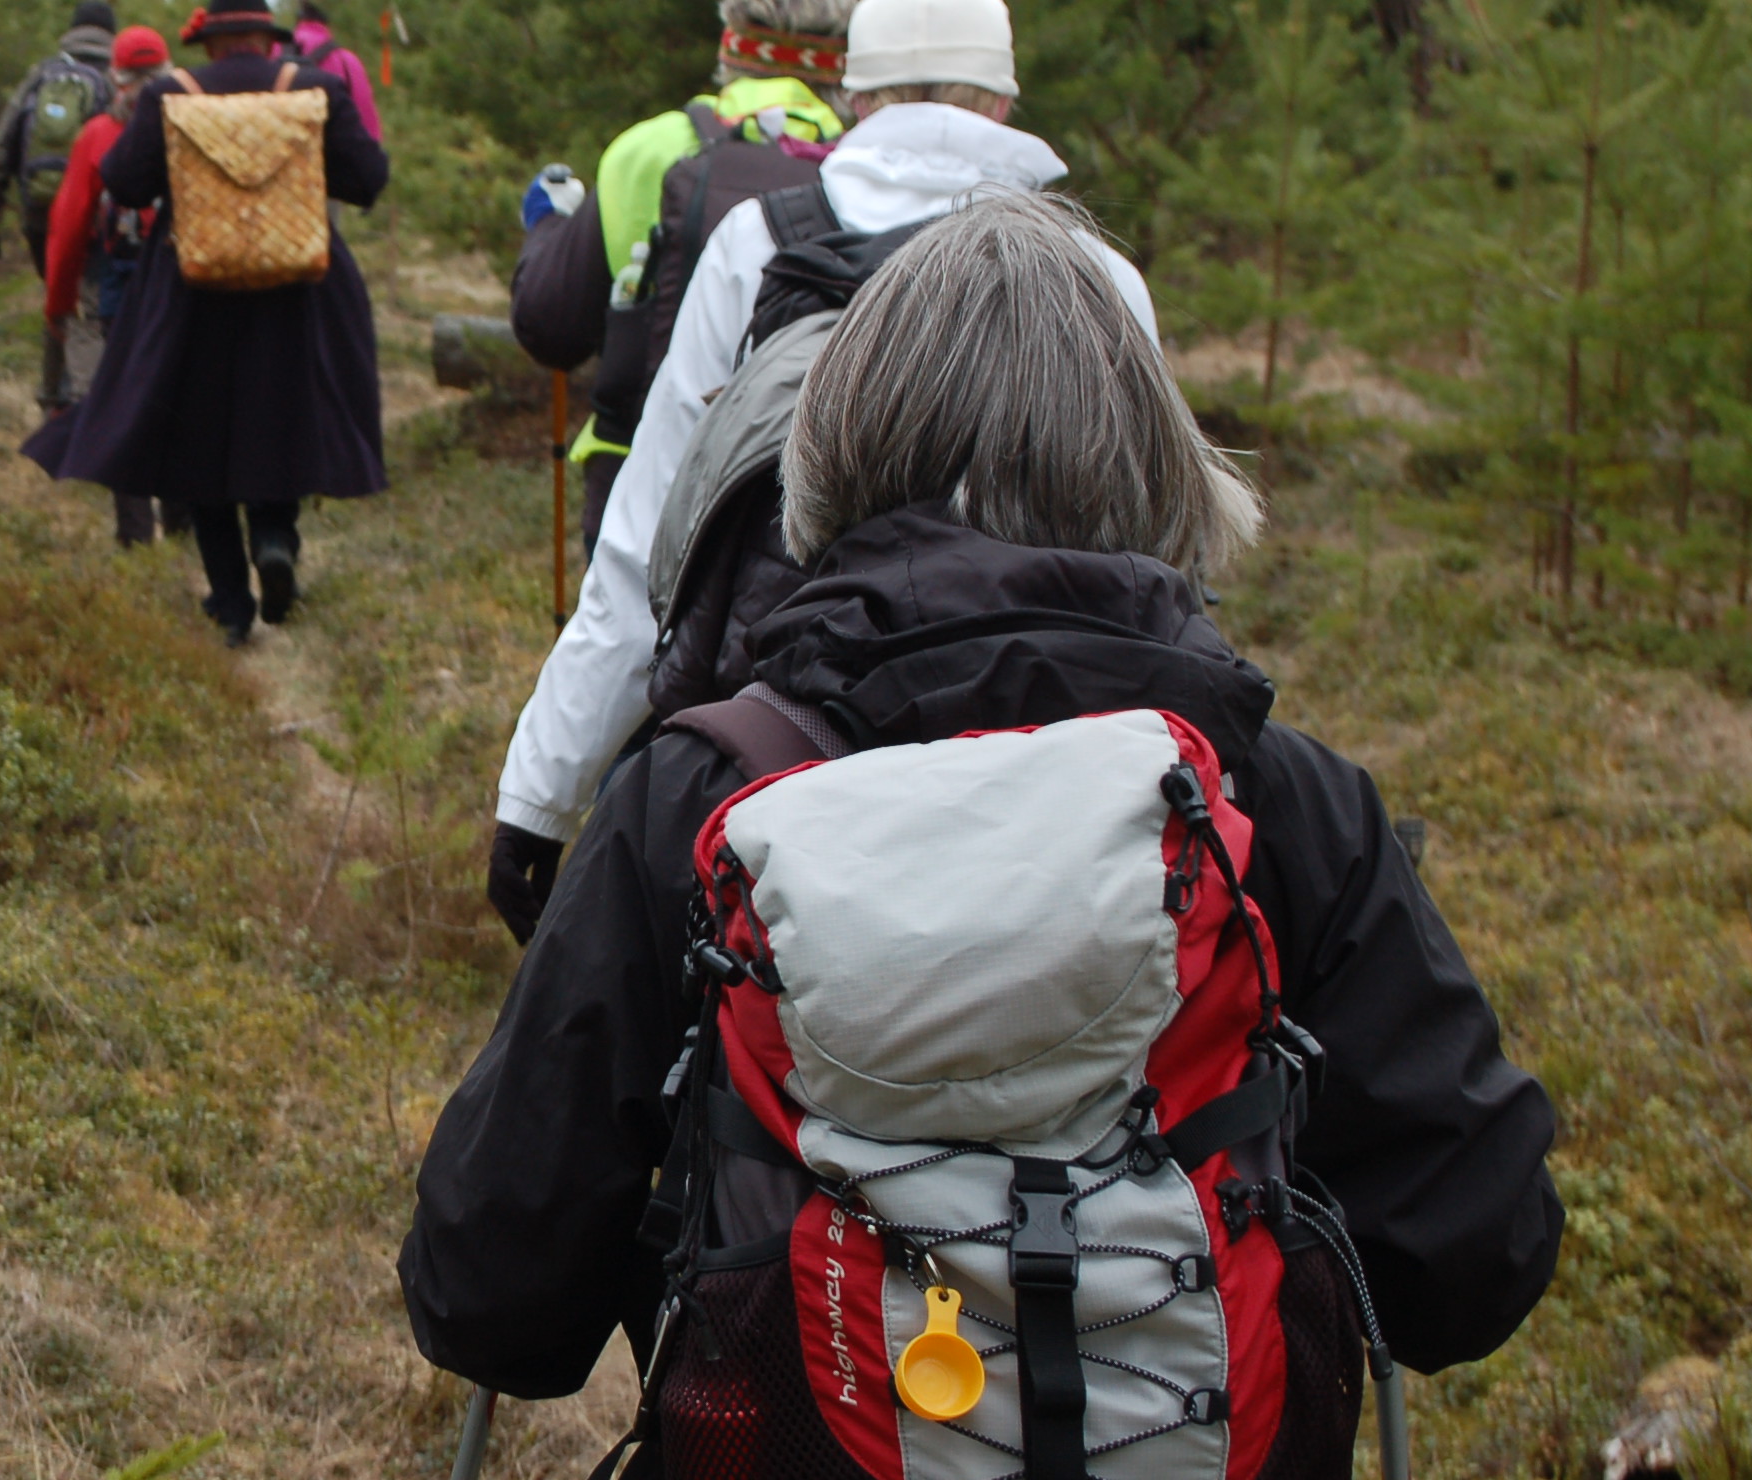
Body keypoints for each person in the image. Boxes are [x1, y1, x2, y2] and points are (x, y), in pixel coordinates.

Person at [404, 194, 1562, 1466]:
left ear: (829, 449)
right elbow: (1470, 1264)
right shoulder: (1279, 805)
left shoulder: (695, 796)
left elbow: (490, 1292)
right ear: (1159, 462)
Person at [487, 0, 1153, 942]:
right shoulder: (1098, 274)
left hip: (782, 740)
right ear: (1006, 100)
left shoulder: (760, 242)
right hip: (1041, 747)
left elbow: (651, 537)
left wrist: (538, 795)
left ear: (854, 98)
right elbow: (1151, 552)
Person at [22, 0, 389, 645]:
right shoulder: (313, 89)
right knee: (282, 416)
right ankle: (276, 538)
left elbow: (127, 182)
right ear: (265, 37)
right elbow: (368, 179)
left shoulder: (171, 94)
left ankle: (229, 602)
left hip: (194, 293)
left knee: (200, 440)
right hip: (297, 288)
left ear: (211, 38)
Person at [507, 0, 852, 552]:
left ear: (728, 48)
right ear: (838, 66)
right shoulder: (861, 163)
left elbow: (551, 327)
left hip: (639, 481)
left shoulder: (647, 149)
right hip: (819, 494)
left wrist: (544, 225)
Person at [42, 24, 183, 546]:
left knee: (122, 402)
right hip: (182, 283)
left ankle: (136, 534)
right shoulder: (188, 124)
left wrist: (58, 304)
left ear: (115, 77)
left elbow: (69, 225)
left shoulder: (98, 135)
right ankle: (185, 522)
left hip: (117, 290)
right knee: (174, 396)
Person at [0, 0, 117, 277]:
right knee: (95, 301)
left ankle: (59, 321)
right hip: (97, 218)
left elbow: (1, 149)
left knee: (55, 293)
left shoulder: (41, 75)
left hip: (42, 208)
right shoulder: (116, 81)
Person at [286, 0, 383, 142]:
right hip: (331, 165)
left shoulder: (273, 51)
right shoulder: (347, 63)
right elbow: (369, 135)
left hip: (281, 163)